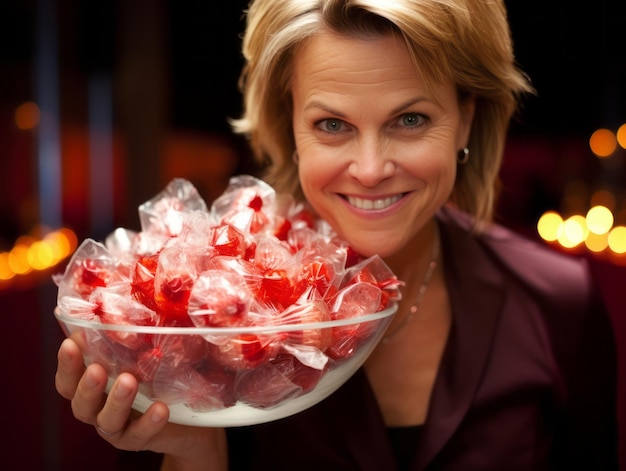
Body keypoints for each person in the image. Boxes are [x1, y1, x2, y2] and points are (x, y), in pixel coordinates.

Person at [55, 0, 619, 469]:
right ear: (292, 125)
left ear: (466, 118)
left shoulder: (558, 305)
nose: (371, 169)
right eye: (332, 125)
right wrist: (195, 448)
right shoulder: (208, 324)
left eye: (410, 119)